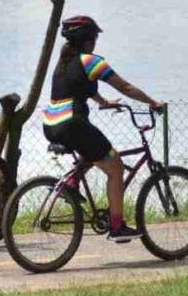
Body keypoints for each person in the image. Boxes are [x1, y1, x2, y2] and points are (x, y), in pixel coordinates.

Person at [43, 15, 165, 242]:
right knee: (116, 166)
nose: (96, 40)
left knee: (93, 152)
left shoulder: (64, 63)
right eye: (95, 36)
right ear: (89, 39)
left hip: (51, 124)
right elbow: (126, 87)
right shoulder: (91, 61)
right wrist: (152, 102)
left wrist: (103, 102)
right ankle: (117, 227)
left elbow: (77, 87)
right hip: (72, 124)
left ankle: (71, 182)